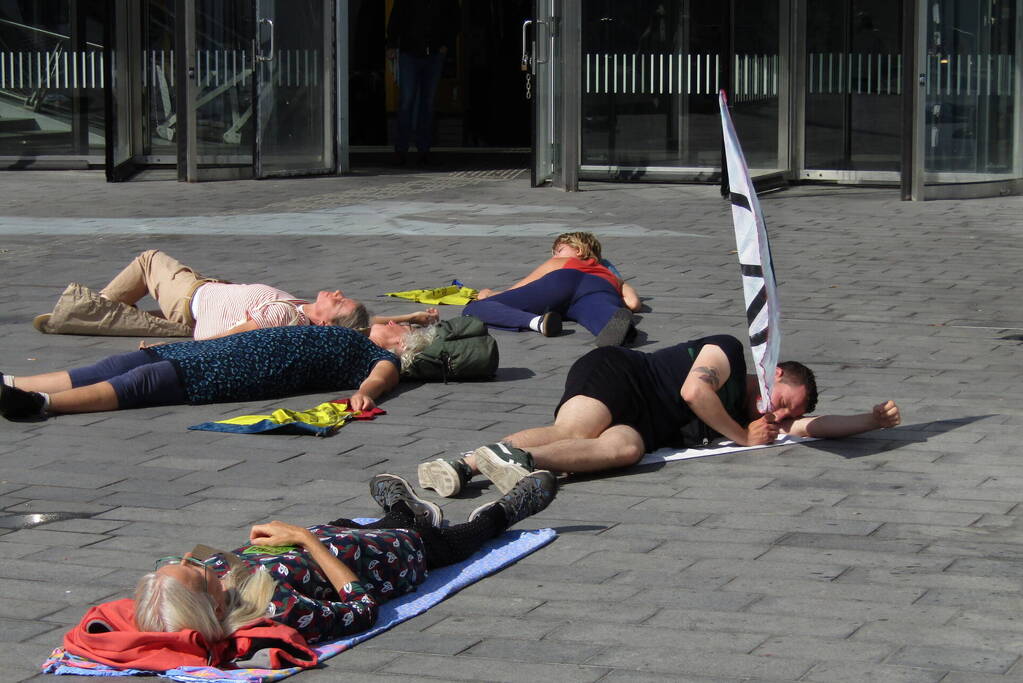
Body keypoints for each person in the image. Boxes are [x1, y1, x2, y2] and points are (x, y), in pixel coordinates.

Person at [418, 334, 902, 497]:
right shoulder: (728, 351)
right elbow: (694, 391)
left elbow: (814, 428)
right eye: (781, 398)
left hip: (643, 426)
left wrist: (870, 421)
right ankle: (464, 464)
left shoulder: (770, 418)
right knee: (576, 429)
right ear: (772, 370)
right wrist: (743, 436)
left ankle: (519, 462)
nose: (777, 412)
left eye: (785, 412)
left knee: (624, 449)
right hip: (623, 374)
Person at [122, 472, 556, 650]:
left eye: (178, 561)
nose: (193, 560)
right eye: (194, 570)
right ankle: (500, 514)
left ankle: (404, 509)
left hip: (336, 536)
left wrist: (210, 557)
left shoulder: (207, 587)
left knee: (367, 524)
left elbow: (211, 568)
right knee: (445, 544)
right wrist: (304, 539)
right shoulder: (279, 610)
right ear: (213, 607)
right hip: (385, 559)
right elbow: (361, 608)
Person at [0, 322, 436, 421]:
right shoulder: (356, 333)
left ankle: (42, 403)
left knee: (140, 383)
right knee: (114, 365)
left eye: (399, 326)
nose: (390, 321)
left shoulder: (380, 357)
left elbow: (379, 380)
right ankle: (13, 382)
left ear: (402, 342)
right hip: (216, 350)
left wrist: (367, 395)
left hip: (234, 369)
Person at [33, 250, 439, 339]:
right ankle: (95, 313)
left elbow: (237, 336)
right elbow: (358, 326)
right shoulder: (305, 314)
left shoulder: (284, 316)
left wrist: (174, 350)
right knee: (131, 307)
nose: (336, 291)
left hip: (190, 298)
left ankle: (89, 310)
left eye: (338, 300)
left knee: (149, 260)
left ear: (324, 320)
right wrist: (410, 317)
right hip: (200, 297)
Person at [464, 232, 643, 348]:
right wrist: (612, 300)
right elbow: (633, 303)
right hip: (602, 288)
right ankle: (614, 323)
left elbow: (522, 287)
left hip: (563, 281)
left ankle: (537, 322)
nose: (554, 255)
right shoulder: (613, 277)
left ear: (579, 250)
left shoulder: (560, 262)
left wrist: (489, 294)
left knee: (474, 309)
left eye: (558, 250)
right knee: (600, 312)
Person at [385, 0, 461, 166]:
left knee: (427, 102)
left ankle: (423, 149)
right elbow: (396, 16)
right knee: (407, 101)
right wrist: (391, 43)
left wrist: (446, 44)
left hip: (433, 52)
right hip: (411, 51)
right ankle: (402, 149)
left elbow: (455, 19)